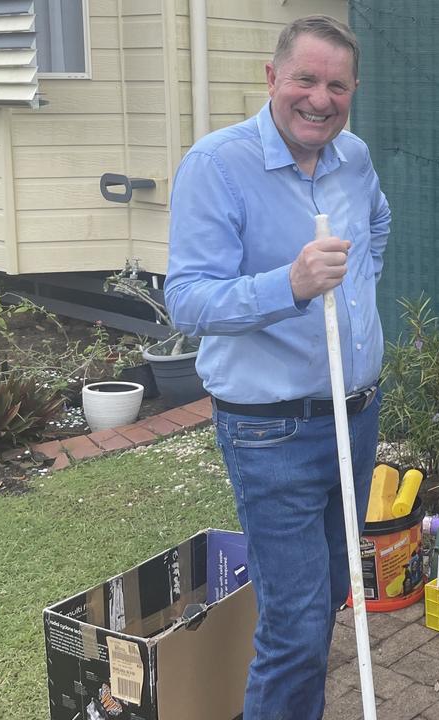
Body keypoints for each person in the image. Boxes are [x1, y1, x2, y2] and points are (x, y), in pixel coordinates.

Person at [163, 15, 390, 720]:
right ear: (272, 78)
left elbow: (377, 223)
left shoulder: (353, 157)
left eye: (337, 85)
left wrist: (360, 290)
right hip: (272, 432)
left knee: (324, 600)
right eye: (306, 80)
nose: (320, 98)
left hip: (355, 417)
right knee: (294, 628)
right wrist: (288, 285)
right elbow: (187, 300)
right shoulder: (216, 165)